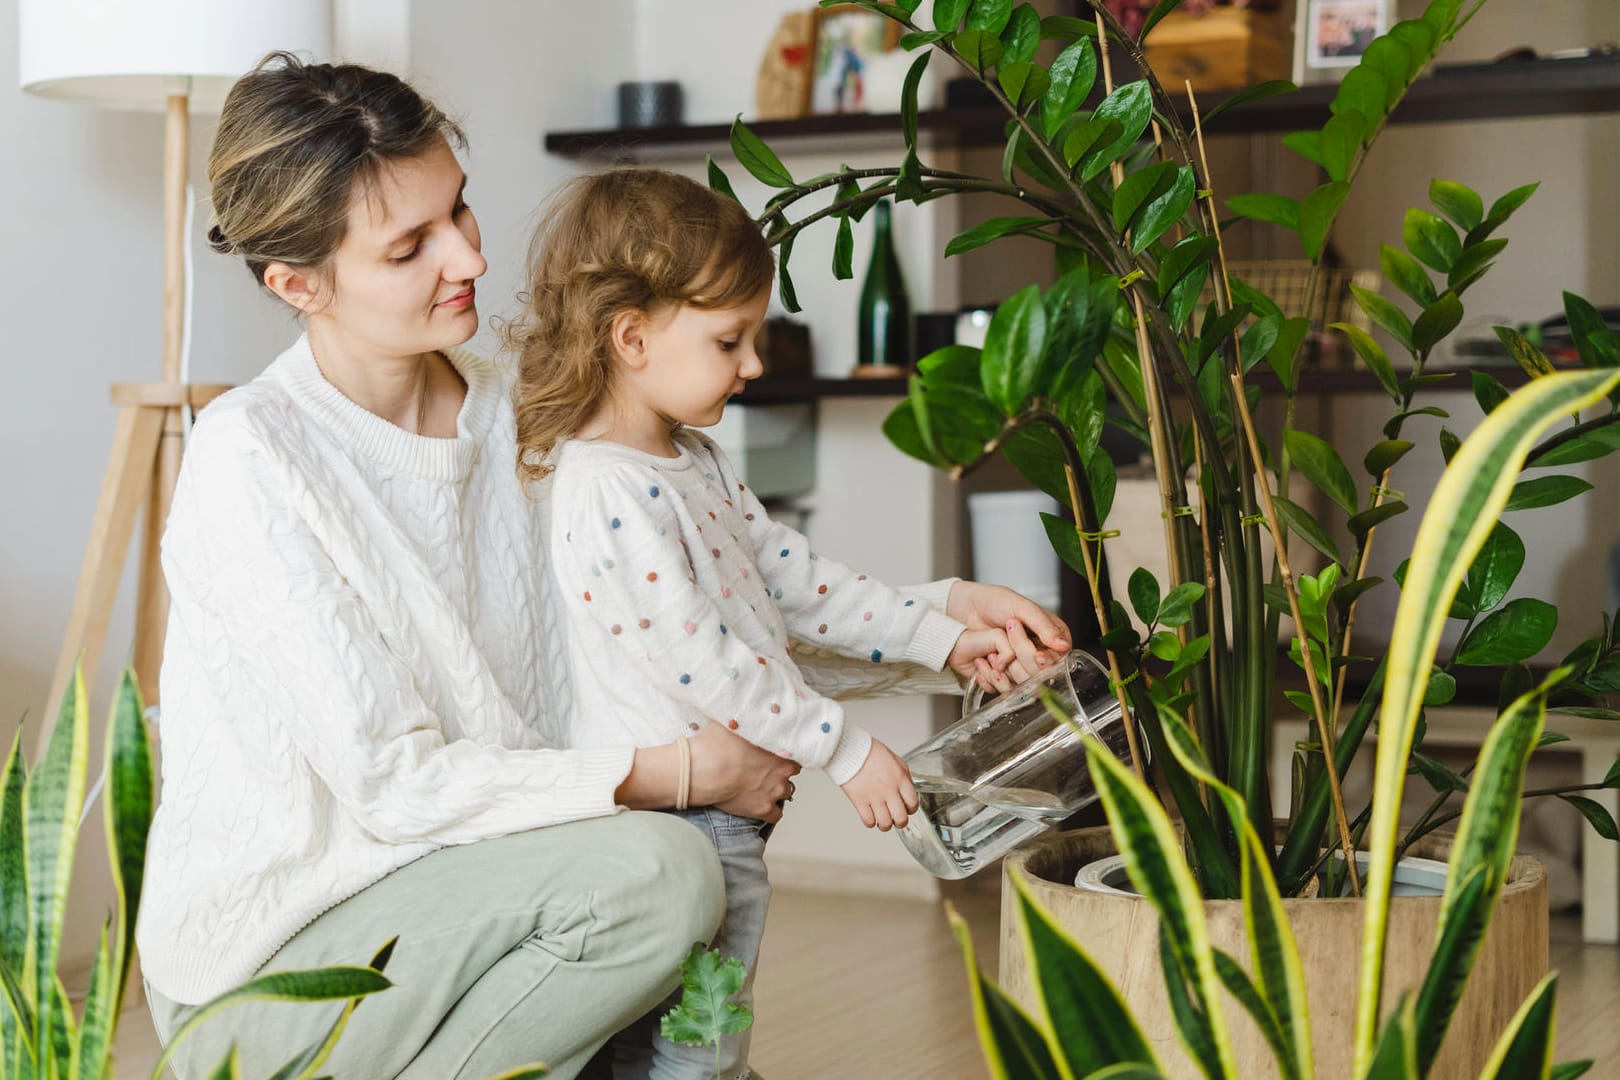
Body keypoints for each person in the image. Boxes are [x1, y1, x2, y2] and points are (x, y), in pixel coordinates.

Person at [133, 53, 1072, 1080]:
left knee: (677, 963)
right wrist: (676, 773)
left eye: (461, 209)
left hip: (506, 898)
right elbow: (397, 787)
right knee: (663, 878)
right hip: (289, 965)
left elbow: (693, 625)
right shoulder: (252, 457)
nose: (467, 261)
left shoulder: (531, 416)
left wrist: (946, 627)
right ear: (297, 283)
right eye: (409, 248)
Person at [506, 169, 1036, 1080]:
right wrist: (844, 749)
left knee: (693, 1036)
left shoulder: (694, 460)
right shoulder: (605, 490)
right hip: (682, 826)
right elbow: (705, 664)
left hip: (723, 821)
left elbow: (802, 585)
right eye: (729, 339)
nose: (754, 363)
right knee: (696, 1044)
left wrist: (939, 631)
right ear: (630, 338)